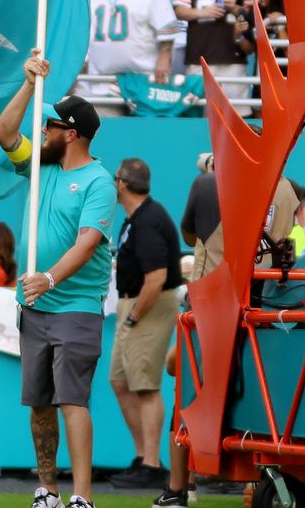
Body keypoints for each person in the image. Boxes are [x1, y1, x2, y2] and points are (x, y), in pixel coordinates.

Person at [0, 53, 113, 508]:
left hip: (76, 307)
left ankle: (82, 497)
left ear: (72, 134)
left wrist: (47, 278)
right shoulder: (39, 165)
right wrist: (27, 84)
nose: (40, 131)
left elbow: (86, 244)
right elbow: (4, 133)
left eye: (49, 125)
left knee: (72, 402)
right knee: (40, 402)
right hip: (35, 307)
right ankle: (47, 489)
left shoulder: (98, 180)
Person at [106, 158, 181, 493]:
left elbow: (157, 279)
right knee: (121, 380)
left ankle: (152, 463)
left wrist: (135, 315)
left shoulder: (148, 220)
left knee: (145, 384)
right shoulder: (137, 218)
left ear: (122, 183)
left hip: (148, 303)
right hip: (135, 302)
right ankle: (143, 457)